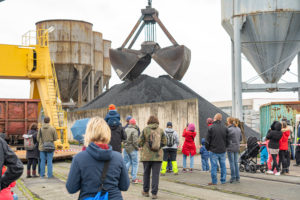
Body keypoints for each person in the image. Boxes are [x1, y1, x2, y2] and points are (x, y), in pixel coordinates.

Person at [66, 117, 130, 200]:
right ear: (107, 133)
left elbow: (71, 188)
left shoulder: (79, 158)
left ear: (88, 133)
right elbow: (124, 186)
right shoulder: (118, 157)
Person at [139, 116, 166, 199]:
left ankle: (146, 191)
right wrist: (157, 147)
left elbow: (140, 142)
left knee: (146, 173)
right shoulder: (160, 130)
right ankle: (154, 193)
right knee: (155, 175)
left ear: (149, 121)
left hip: (146, 156)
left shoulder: (145, 129)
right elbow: (164, 142)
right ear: (157, 121)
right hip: (157, 157)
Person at [205, 113, 229, 185]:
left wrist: (208, 148)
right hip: (222, 150)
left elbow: (207, 141)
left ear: (214, 119)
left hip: (213, 150)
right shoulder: (225, 128)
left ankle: (214, 181)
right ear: (221, 119)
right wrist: (225, 147)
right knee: (223, 166)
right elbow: (228, 140)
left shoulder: (211, 127)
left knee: (214, 167)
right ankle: (223, 180)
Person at [123, 118, 141, 184]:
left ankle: (123, 176)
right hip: (133, 149)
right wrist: (137, 147)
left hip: (126, 148)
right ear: (134, 123)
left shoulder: (125, 129)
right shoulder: (135, 130)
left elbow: (123, 139)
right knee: (135, 163)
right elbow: (135, 141)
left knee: (127, 162)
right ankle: (134, 178)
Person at [226, 117, 242, 183]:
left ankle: (233, 177)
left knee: (232, 163)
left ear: (229, 122)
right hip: (237, 147)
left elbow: (225, 138)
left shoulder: (228, 129)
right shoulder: (238, 129)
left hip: (230, 147)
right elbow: (240, 139)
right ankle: (237, 177)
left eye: (227, 121)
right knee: (236, 163)